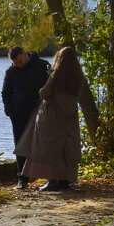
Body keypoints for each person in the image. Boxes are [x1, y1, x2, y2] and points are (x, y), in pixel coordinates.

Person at [15, 46, 92, 191]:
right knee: (65, 147)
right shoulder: (79, 76)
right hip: (70, 115)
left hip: (52, 114)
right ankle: (64, 180)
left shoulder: (56, 74)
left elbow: (44, 93)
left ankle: (52, 181)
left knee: (48, 145)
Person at [1, 46, 50, 189]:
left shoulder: (42, 65)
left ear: (25, 54)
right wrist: (9, 111)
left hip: (40, 112)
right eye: (15, 63)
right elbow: (6, 93)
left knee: (44, 143)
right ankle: (22, 179)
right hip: (18, 114)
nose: (18, 65)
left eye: (20, 61)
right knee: (20, 145)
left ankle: (51, 177)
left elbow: (52, 87)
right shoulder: (11, 72)